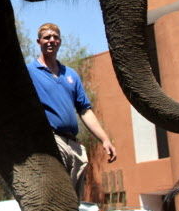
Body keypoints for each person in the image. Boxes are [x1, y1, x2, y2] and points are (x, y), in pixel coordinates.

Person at [28, 22, 117, 196]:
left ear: (60, 41)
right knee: (59, 195)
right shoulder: (30, 71)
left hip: (74, 144)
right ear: (39, 42)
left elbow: (84, 110)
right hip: (53, 140)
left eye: (55, 37)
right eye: (47, 37)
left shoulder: (70, 75)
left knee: (75, 199)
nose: (51, 41)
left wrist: (104, 139)